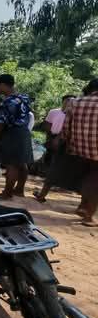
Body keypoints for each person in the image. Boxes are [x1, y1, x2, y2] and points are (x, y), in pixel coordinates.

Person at [60, 78, 98, 226]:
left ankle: (82, 206)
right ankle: (89, 216)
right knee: (95, 180)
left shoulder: (74, 102)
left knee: (88, 176)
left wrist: (67, 142)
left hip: (79, 147)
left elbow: (66, 127)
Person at [0, 73, 33, 200]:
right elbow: (18, 110)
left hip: (12, 133)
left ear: (3, 85)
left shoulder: (7, 102)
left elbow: (1, 122)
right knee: (22, 163)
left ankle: (7, 193)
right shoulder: (24, 97)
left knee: (11, 164)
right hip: (24, 131)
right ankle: (19, 190)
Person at [33, 94, 76, 202]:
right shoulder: (54, 112)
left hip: (65, 141)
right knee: (51, 162)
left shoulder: (74, 113)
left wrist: (58, 138)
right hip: (54, 137)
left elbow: (68, 129)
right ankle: (45, 191)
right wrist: (50, 138)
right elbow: (47, 125)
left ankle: (45, 192)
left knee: (58, 164)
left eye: (71, 101)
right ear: (63, 101)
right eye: (67, 100)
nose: (69, 102)